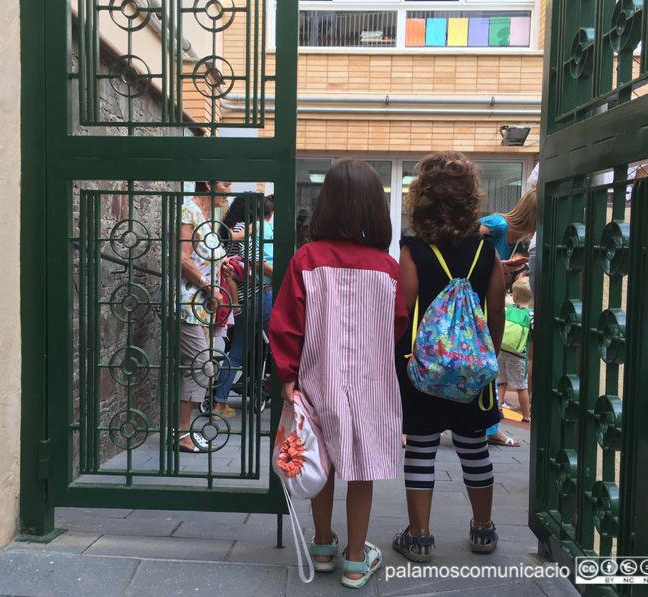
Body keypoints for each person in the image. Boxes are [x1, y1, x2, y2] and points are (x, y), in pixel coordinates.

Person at [270, 159, 408, 589]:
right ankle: (354, 559)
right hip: (371, 382)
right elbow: (398, 322)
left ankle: (324, 546)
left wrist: (287, 378)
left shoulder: (306, 260)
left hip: (316, 378)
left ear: (326, 203)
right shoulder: (387, 267)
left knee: (319, 459)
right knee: (362, 466)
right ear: (374, 208)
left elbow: (286, 323)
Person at [394, 152, 505, 562]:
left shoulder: (413, 249)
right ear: (469, 198)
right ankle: (482, 530)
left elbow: (403, 311)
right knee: (473, 446)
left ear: (422, 197)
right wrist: (484, 356)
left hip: (423, 368)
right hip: (472, 372)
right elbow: (496, 309)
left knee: (421, 447)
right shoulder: (486, 249)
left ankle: (419, 536)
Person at [176, 180, 234, 452]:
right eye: (226, 184)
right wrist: (209, 286)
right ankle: (181, 434)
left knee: (197, 366)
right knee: (201, 365)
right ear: (209, 184)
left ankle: (182, 432)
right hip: (186, 303)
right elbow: (182, 258)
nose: (229, 191)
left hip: (200, 307)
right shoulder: (189, 210)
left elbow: (203, 259)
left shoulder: (205, 219)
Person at [479, 188, 538, 447]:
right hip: (475, 302)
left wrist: (502, 266)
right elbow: (466, 246)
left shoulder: (513, 237)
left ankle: (490, 427)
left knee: (488, 364)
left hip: (485, 301)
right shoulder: (500, 225)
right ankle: (490, 428)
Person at [214, 195, 274, 417]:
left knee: (237, 352)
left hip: (238, 300)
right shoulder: (246, 228)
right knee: (279, 347)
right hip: (259, 295)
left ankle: (219, 404)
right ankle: (282, 398)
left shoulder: (230, 227)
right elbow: (255, 261)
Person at [498, 278, 534, 423]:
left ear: (515, 295)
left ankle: (498, 408)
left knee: (500, 382)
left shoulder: (507, 309)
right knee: (521, 387)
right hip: (519, 356)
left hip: (501, 352)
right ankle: (526, 416)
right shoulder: (531, 315)